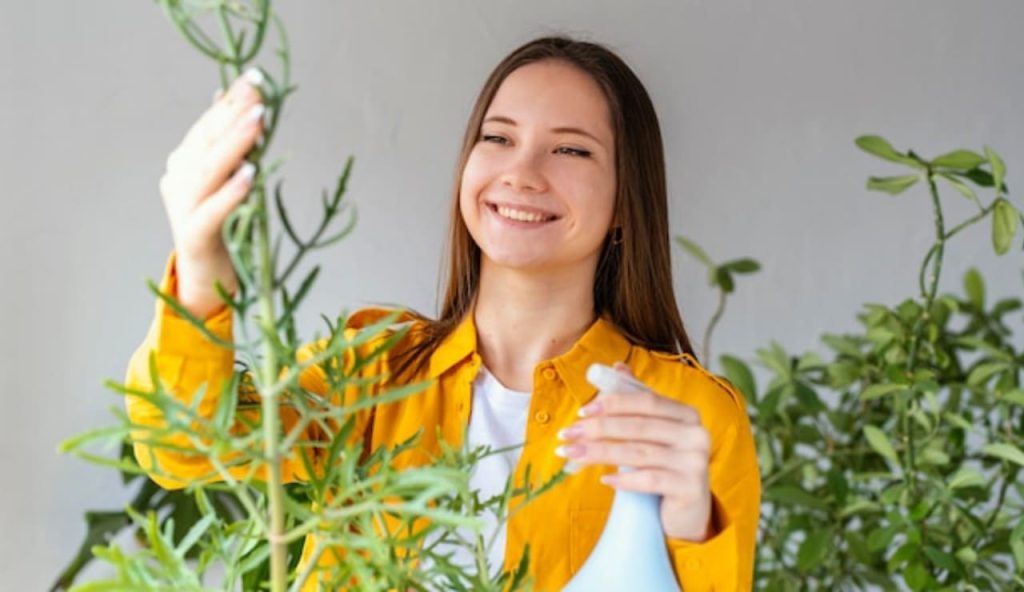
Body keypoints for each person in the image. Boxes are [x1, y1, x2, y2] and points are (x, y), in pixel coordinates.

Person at [126, 35, 760, 591]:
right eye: (498, 137)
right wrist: (202, 258)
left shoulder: (688, 416)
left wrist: (684, 524)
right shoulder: (370, 370)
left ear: (628, 199)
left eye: (571, 151)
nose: (521, 171)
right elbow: (185, 447)